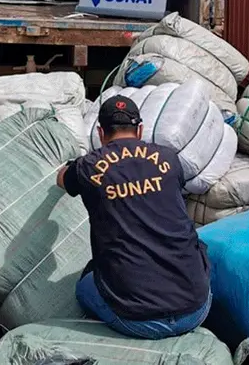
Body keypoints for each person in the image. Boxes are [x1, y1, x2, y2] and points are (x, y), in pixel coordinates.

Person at [56, 95, 212, 340]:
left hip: (137, 320)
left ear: (100, 132)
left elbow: (61, 179)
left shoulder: (89, 166)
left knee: (85, 287)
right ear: (140, 129)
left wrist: (75, 166)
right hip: (196, 309)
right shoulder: (169, 159)